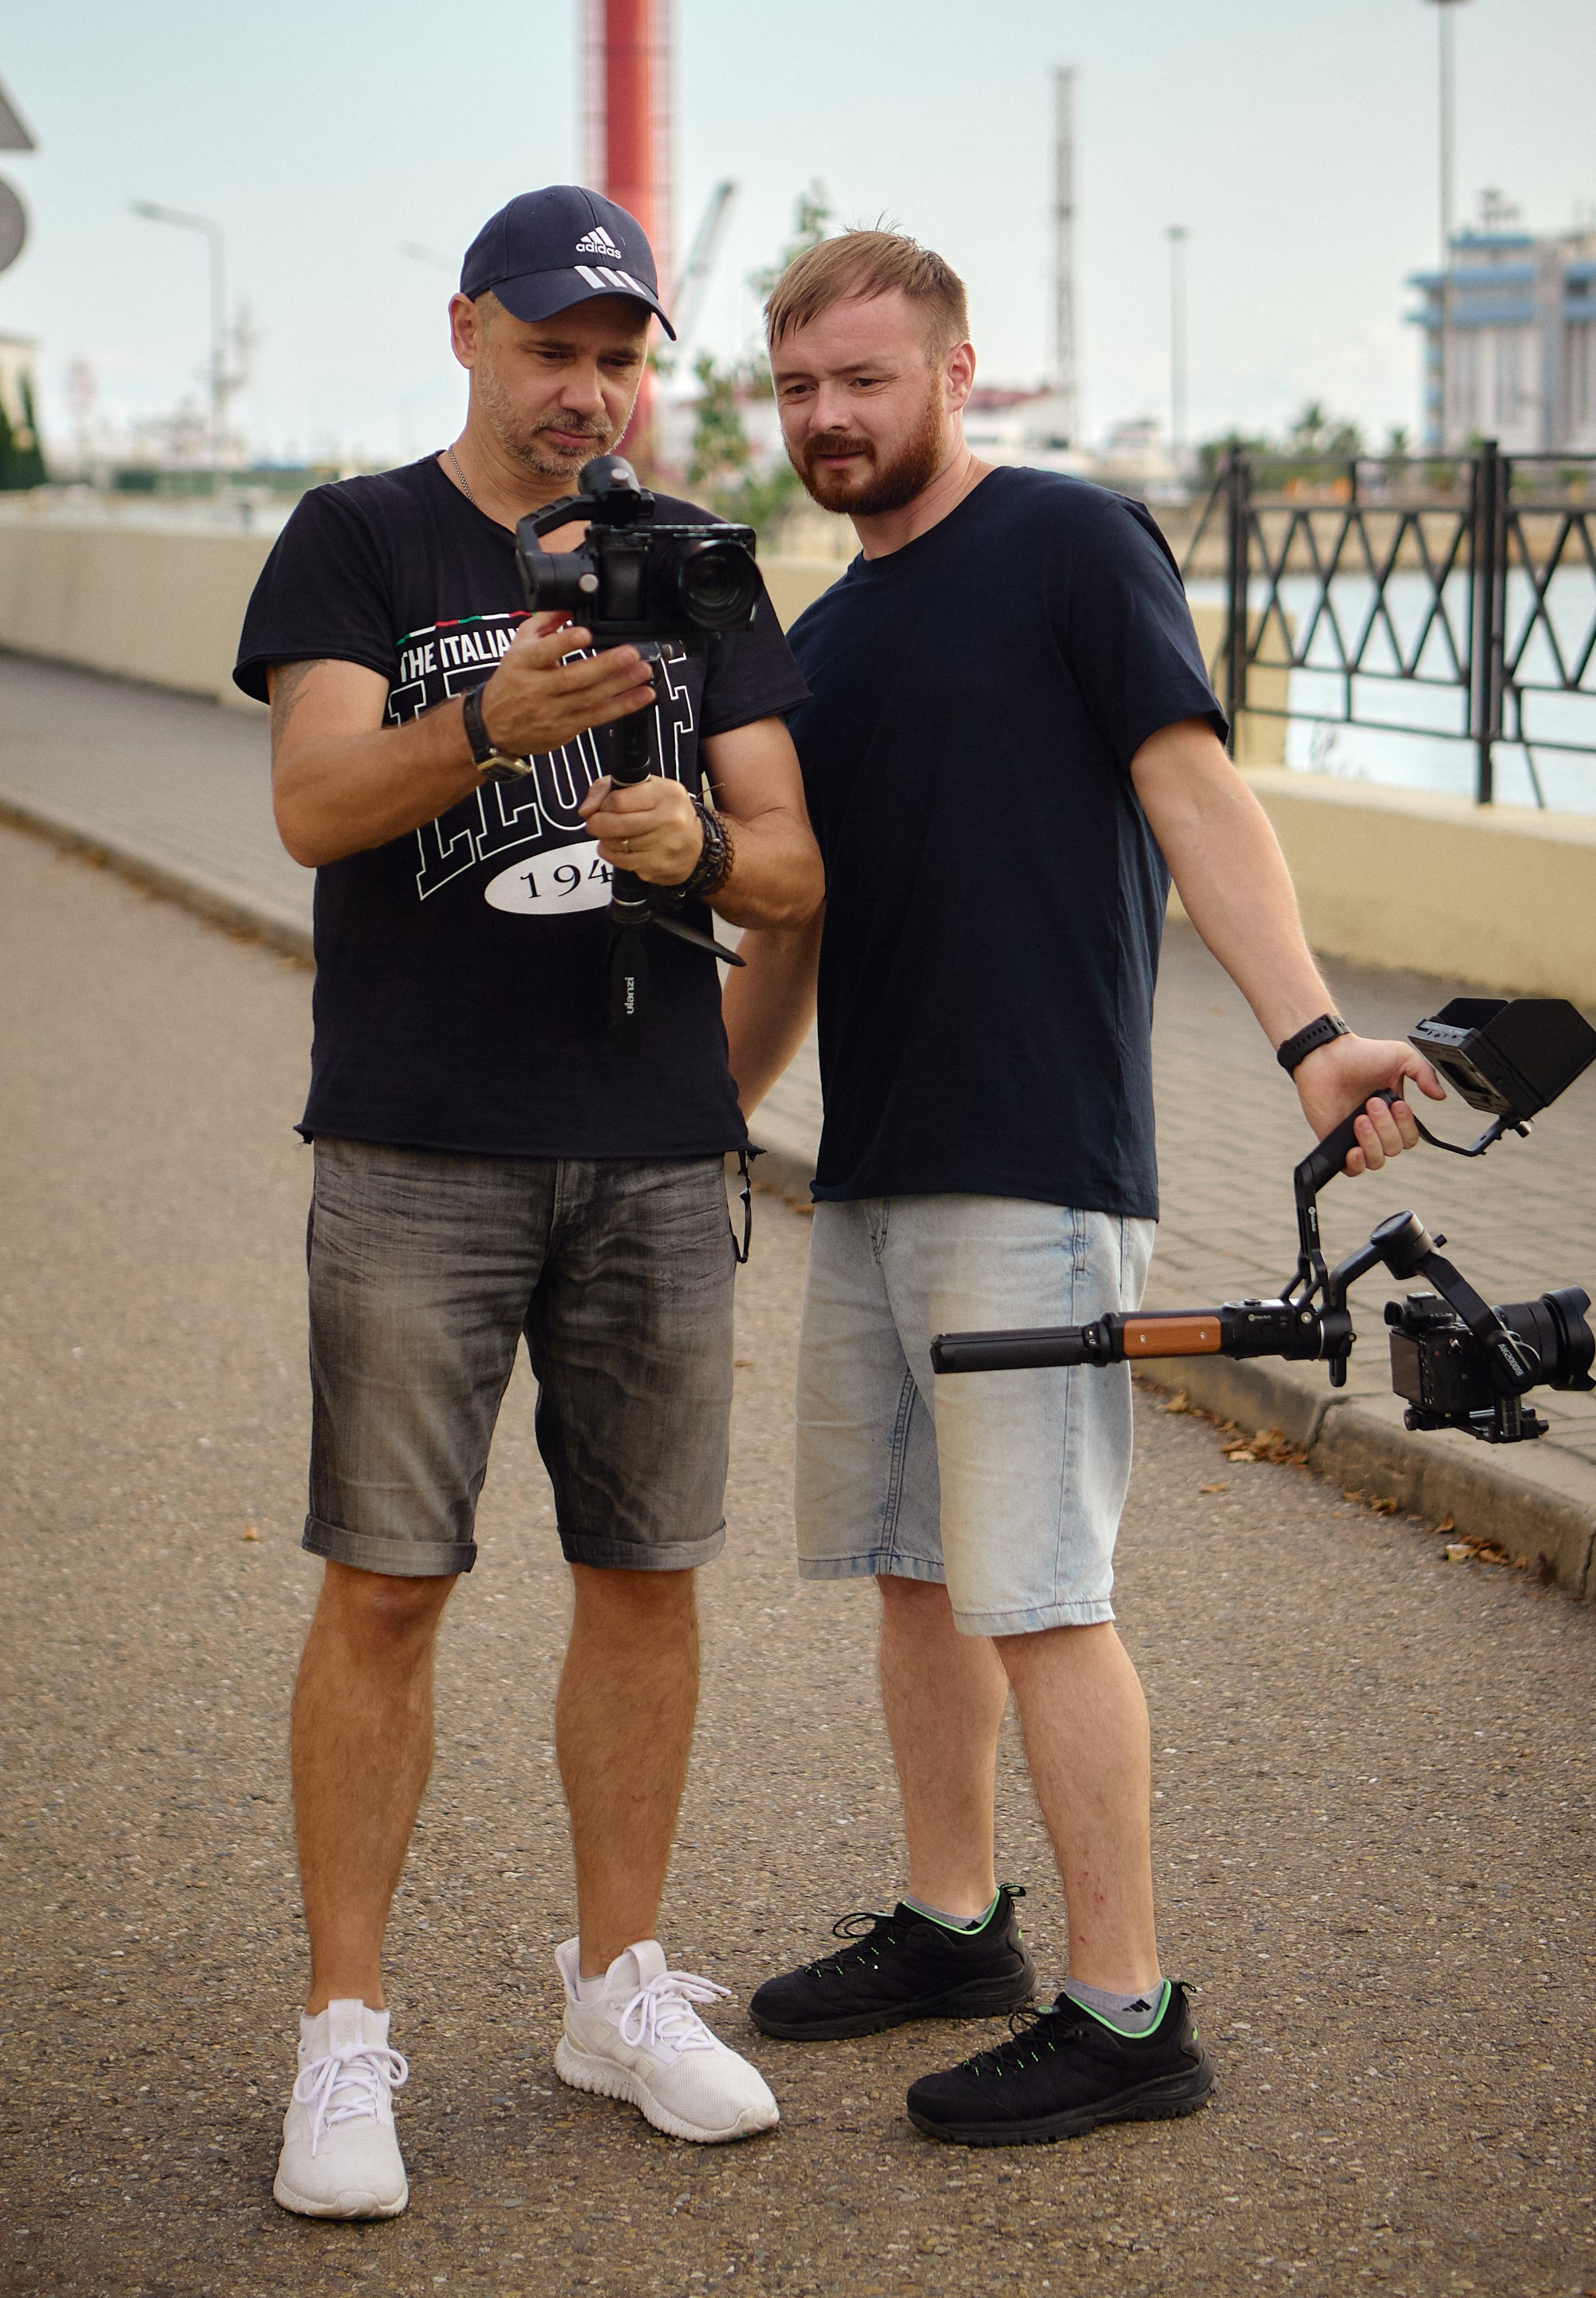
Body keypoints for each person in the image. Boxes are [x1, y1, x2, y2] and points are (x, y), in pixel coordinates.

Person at [723, 228, 1444, 2148]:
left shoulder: (1068, 541)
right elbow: (790, 931)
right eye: (796, 389)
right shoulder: (823, 640)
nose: (827, 417)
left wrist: (1311, 1039)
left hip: (1033, 1159)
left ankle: (1129, 2013)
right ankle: (954, 1924)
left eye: (863, 379)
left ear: (957, 373)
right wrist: (705, 1121)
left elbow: (1192, 786)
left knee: (1038, 1590)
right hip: (873, 1166)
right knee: (911, 1571)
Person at [234, 186, 822, 2215]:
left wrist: (689, 846)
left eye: (619, 356)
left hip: (650, 1147)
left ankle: (616, 1989)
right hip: (415, 1145)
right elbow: (312, 804)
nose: (587, 390)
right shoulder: (360, 538)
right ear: (468, 329)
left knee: (645, 1574)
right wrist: (490, 721)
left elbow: (792, 867)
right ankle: (343, 2033)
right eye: (553, 347)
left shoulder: (697, 561)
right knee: (388, 1582)